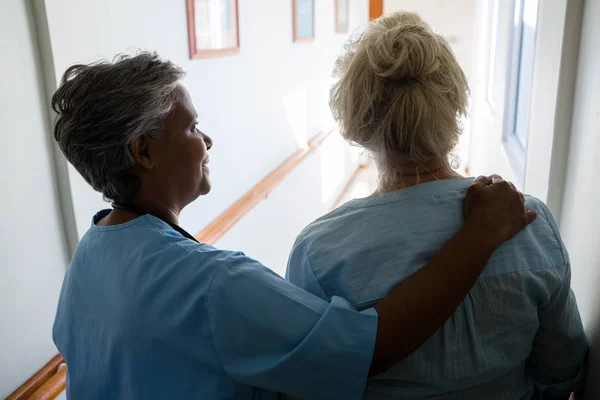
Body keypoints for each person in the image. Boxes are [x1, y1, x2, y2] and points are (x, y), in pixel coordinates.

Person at [51, 51, 534, 400]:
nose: (207, 140)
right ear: (145, 151)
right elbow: (369, 349)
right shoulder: (215, 285)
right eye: (193, 127)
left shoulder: (90, 254)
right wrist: (481, 234)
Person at [286, 12, 588, 400]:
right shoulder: (528, 221)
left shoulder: (318, 252)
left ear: (354, 122)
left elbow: (311, 384)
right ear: (454, 105)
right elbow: (562, 371)